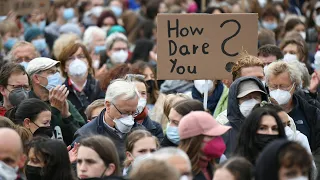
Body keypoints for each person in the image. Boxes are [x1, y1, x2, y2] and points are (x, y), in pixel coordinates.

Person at [266, 61, 320, 169]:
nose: (278, 91)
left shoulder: (311, 113)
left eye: (283, 86)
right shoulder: (261, 112)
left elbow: (317, 151)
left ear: (294, 86)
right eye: (273, 86)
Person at [74, 79, 139, 162]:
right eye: (124, 112)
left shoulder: (139, 131)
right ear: (108, 105)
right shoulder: (86, 135)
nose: (129, 118)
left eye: (133, 112)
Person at [26, 57, 85, 145]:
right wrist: (54, 109)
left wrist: (67, 116)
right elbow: (41, 137)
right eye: (51, 72)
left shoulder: (63, 101)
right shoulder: (27, 104)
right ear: (36, 78)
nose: (56, 75)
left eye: (57, 72)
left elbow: (83, 135)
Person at [218, 77, 268, 155]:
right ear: (235, 102)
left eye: (256, 97)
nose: (252, 102)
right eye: (246, 98)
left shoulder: (270, 128)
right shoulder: (225, 133)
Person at [178, 111, 231, 180]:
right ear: (194, 140)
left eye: (218, 135)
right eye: (211, 136)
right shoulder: (178, 174)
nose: (218, 140)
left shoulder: (214, 168)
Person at [58, 42, 105, 120]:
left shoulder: (100, 87)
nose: (77, 61)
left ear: (88, 63)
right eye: (71, 58)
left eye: (81, 56)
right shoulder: (61, 93)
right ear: (64, 67)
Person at [126, 74, 163, 141]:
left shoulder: (156, 128)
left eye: (143, 93)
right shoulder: (114, 123)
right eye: (135, 93)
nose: (139, 97)